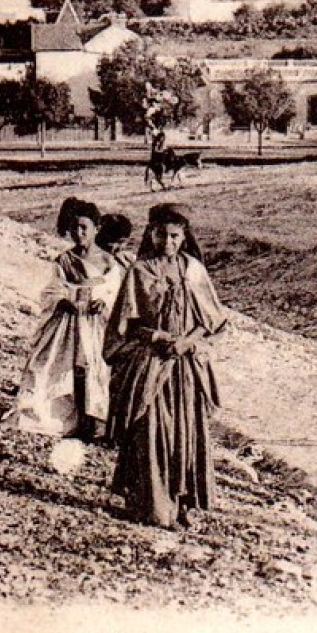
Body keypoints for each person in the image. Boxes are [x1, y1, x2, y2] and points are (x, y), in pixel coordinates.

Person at [106, 204, 228, 528]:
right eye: (161, 234)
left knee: (187, 433)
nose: (168, 242)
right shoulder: (139, 272)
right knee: (152, 431)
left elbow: (211, 320)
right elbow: (124, 325)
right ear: (151, 234)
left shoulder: (194, 271)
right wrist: (158, 336)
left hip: (186, 366)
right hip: (152, 363)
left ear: (184, 236)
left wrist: (188, 341)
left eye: (175, 236)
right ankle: (154, 506)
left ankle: (186, 504)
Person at [10, 198, 124, 449]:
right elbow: (51, 290)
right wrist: (64, 300)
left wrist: (103, 302)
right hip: (68, 323)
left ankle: (95, 421)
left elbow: (116, 291)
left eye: (84, 227)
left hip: (96, 324)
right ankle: (71, 419)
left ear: (96, 228)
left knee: (96, 368)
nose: (79, 233)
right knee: (67, 368)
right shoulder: (64, 260)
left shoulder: (107, 261)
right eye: (74, 228)